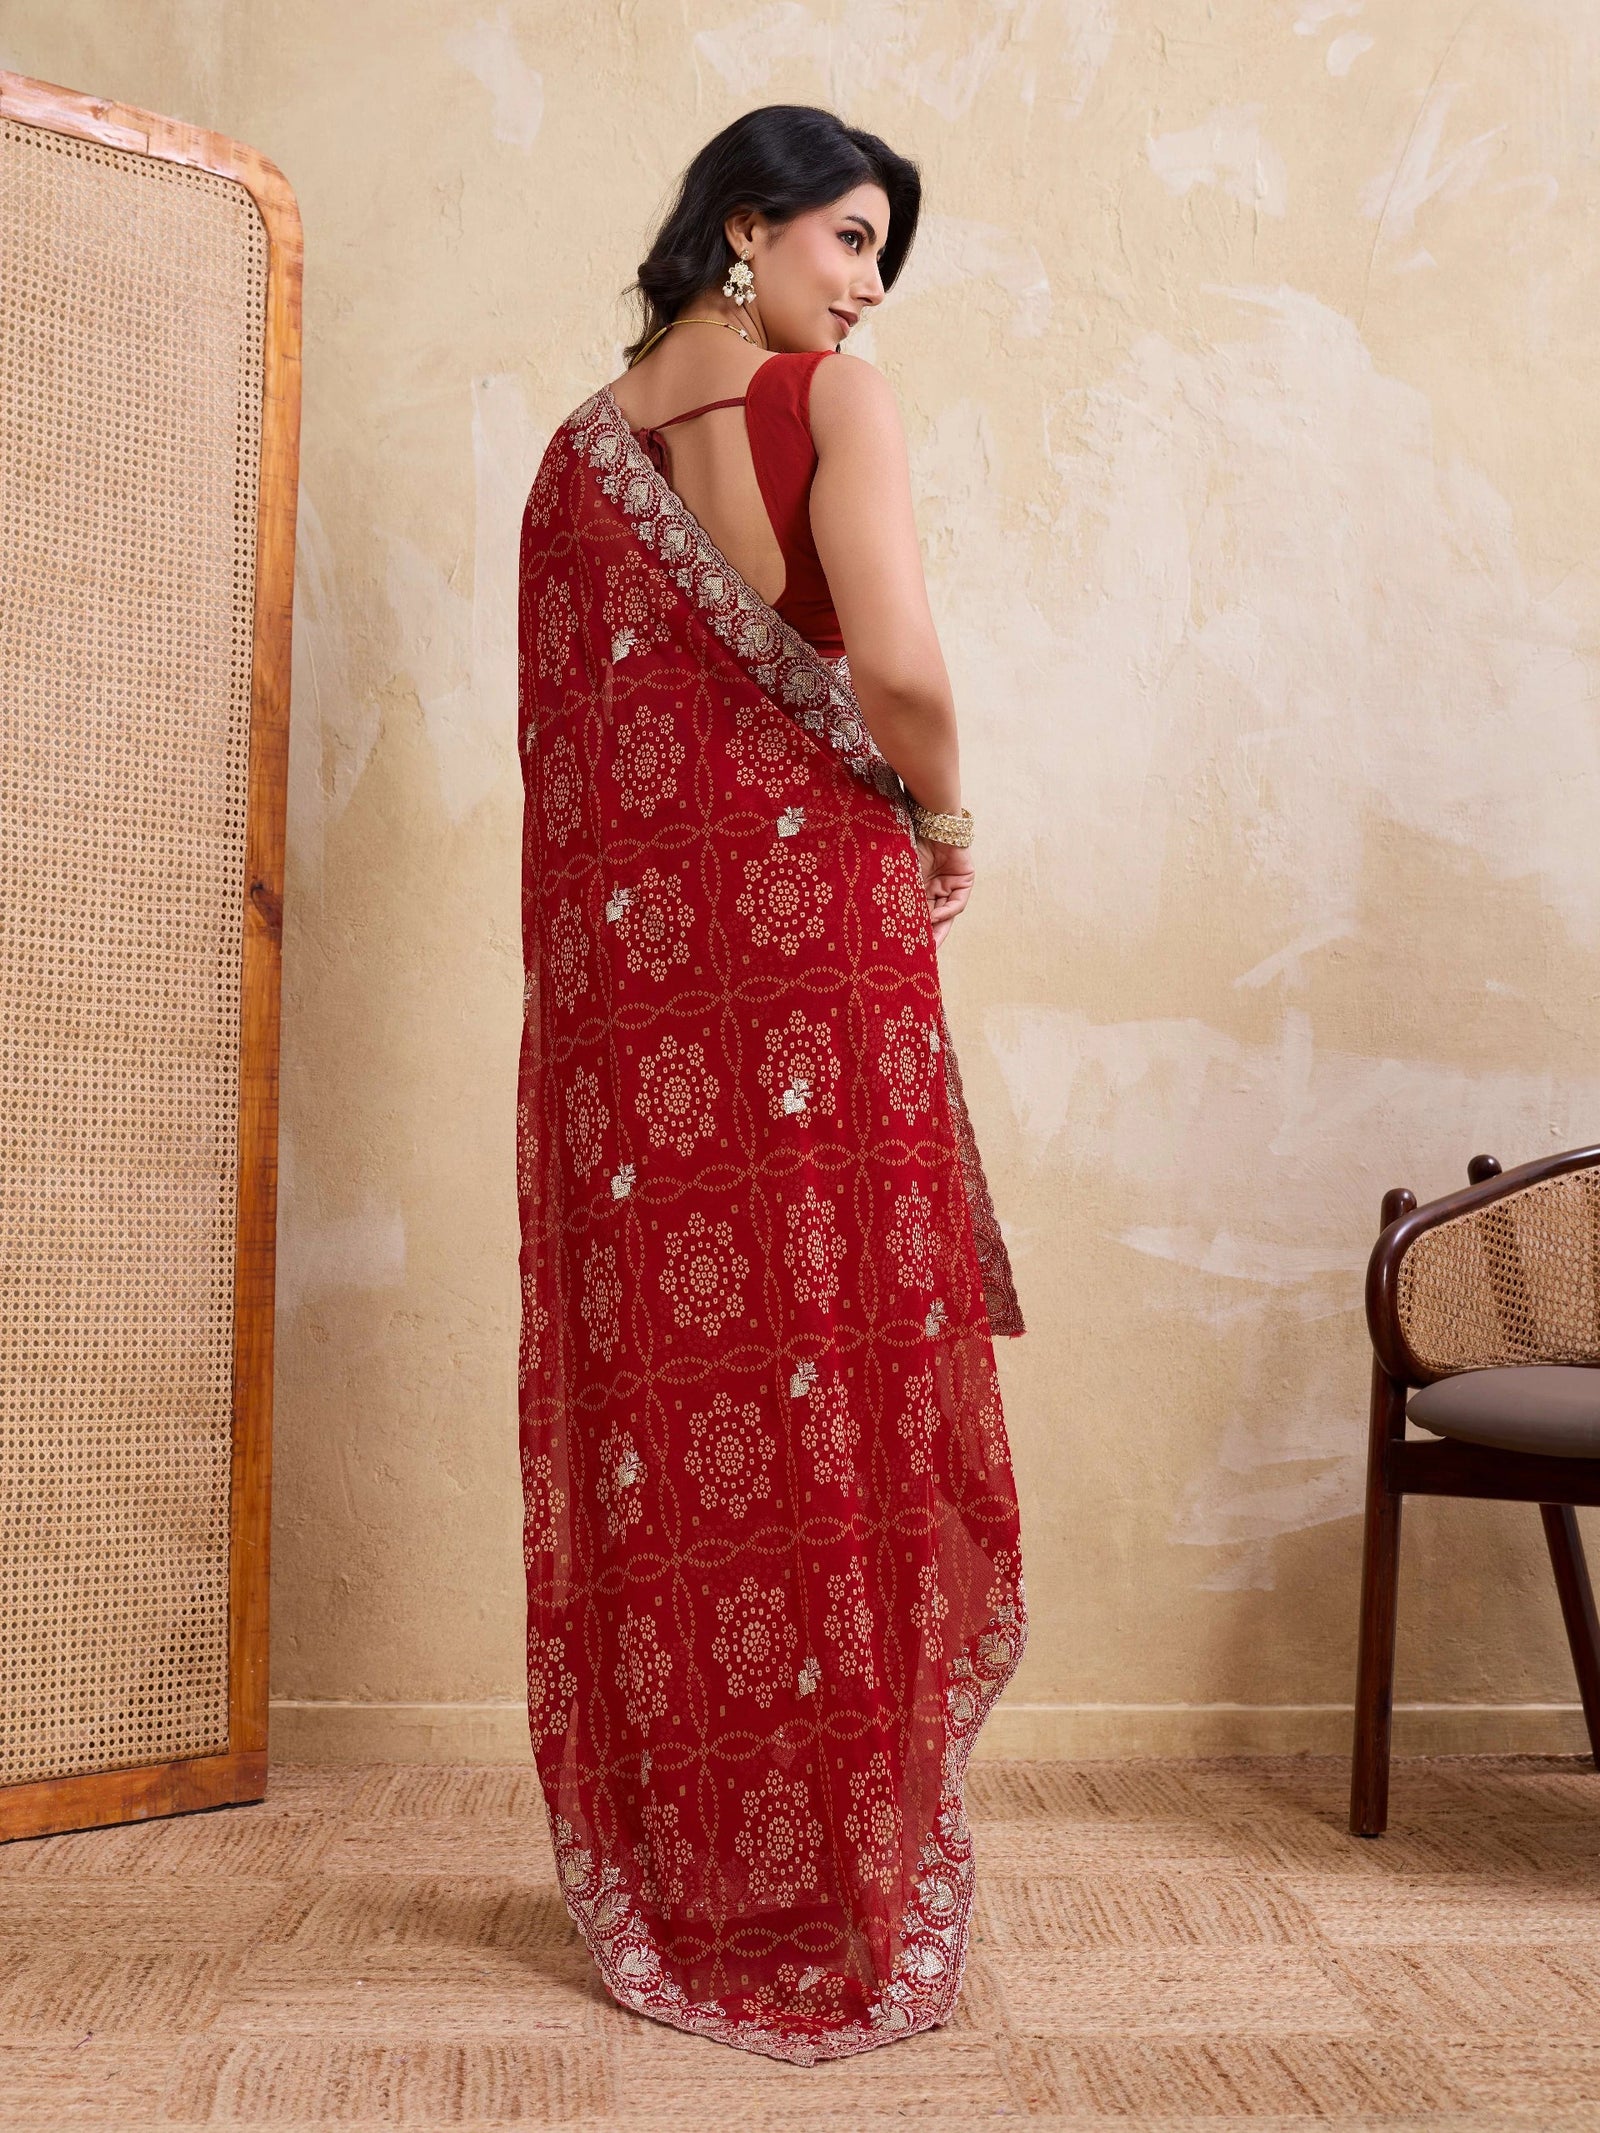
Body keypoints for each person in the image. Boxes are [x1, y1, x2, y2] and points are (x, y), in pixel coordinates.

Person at [515, 103, 1026, 2064]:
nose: (869, 284)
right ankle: (842, 1855)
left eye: (883, 250)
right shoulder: (833, 401)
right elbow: (894, 666)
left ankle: (708, 1856)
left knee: (696, 1373)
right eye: (848, 236)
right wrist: (943, 808)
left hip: (649, 1001)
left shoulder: (578, 455)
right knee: (839, 1347)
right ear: (745, 225)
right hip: (816, 943)